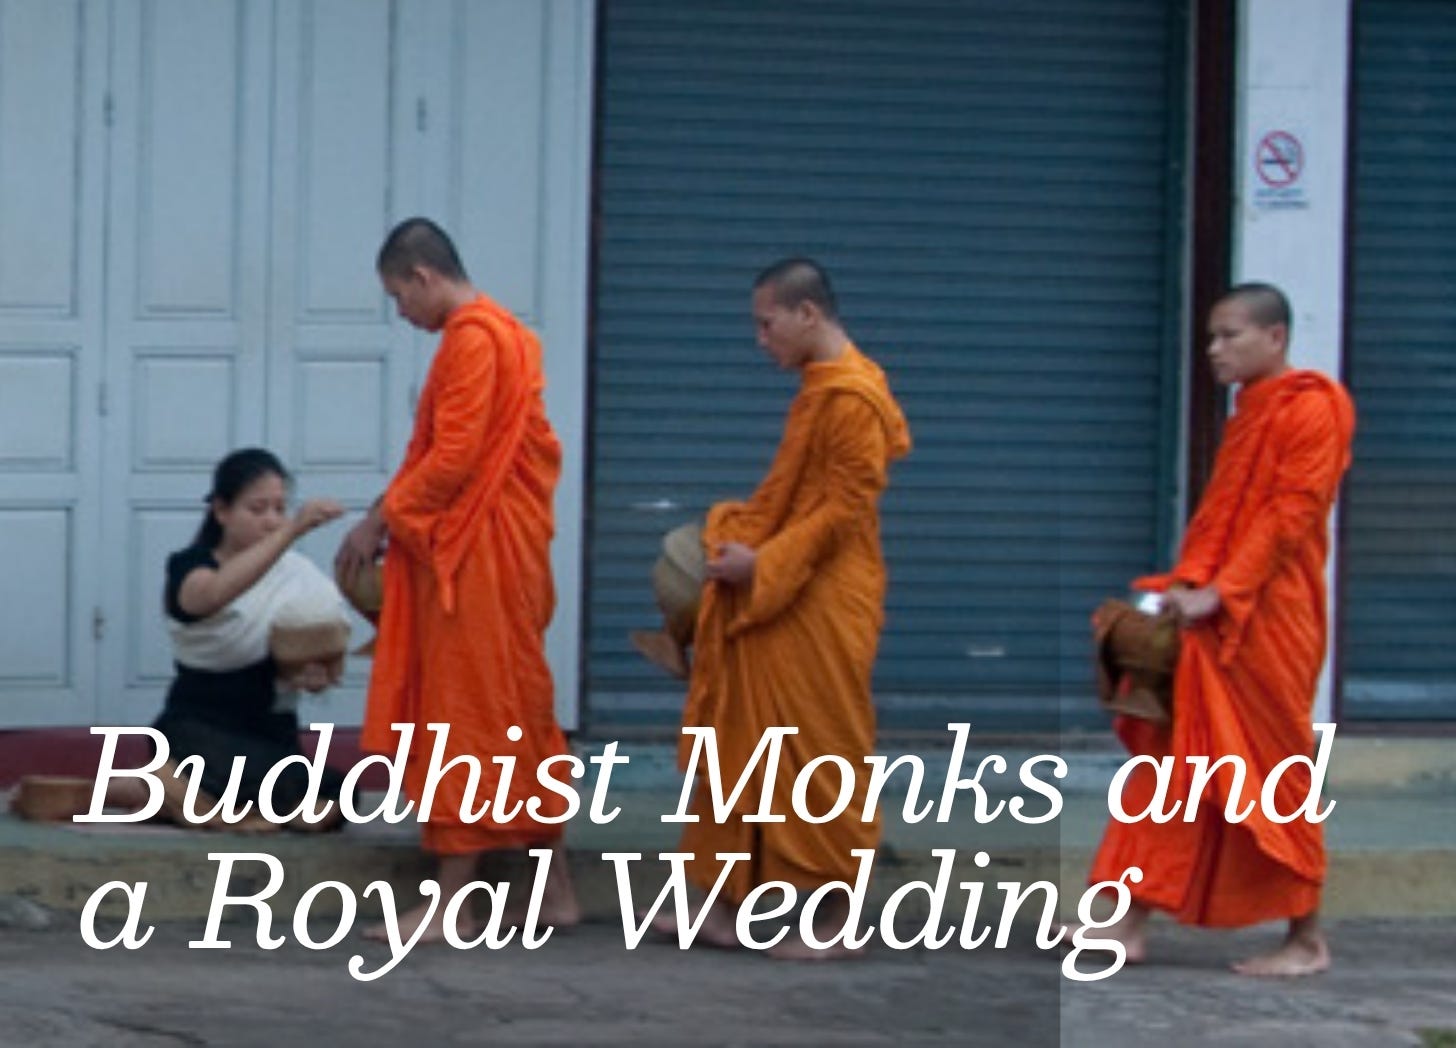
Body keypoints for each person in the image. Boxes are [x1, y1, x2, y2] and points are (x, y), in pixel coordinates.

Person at [1071, 283, 1356, 977]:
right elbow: (1223, 518)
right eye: (1209, 338)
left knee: (1274, 774)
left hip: (1271, 620)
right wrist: (1185, 585)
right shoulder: (1247, 413)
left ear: (1275, 338)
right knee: (1171, 767)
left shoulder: (1314, 407)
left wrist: (1220, 594)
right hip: (1217, 612)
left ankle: (1306, 939)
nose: (1213, 351)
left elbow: (1288, 518)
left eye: (1229, 336)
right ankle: (1126, 922)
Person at [652, 257, 911, 959]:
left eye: (767, 324)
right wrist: (736, 533)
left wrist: (760, 563)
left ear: (808, 315)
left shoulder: (854, 398)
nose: (760, 339)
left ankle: (841, 920)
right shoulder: (820, 388)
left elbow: (837, 515)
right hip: (787, 592)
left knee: (820, 755)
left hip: (823, 599)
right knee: (744, 744)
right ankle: (716, 903)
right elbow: (788, 495)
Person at [334, 217, 579, 941]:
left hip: (472, 561)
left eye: (396, 296)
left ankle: (452, 903)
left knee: (464, 718)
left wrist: (381, 519)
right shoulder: (513, 337)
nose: (400, 314)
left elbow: (456, 459)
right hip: (504, 557)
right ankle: (556, 890)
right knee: (520, 715)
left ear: (423, 276)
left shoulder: (474, 340)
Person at [13, 448, 351, 830]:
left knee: (339, 795)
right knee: (257, 788)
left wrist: (314, 677)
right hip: (202, 733)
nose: (272, 521)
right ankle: (181, 797)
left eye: (279, 509)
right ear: (222, 511)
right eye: (257, 510)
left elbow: (318, 652)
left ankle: (146, 794)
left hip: (270, 736)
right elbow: (207, 597)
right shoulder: (191, 565)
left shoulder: (296, 575)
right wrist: (292, 530)